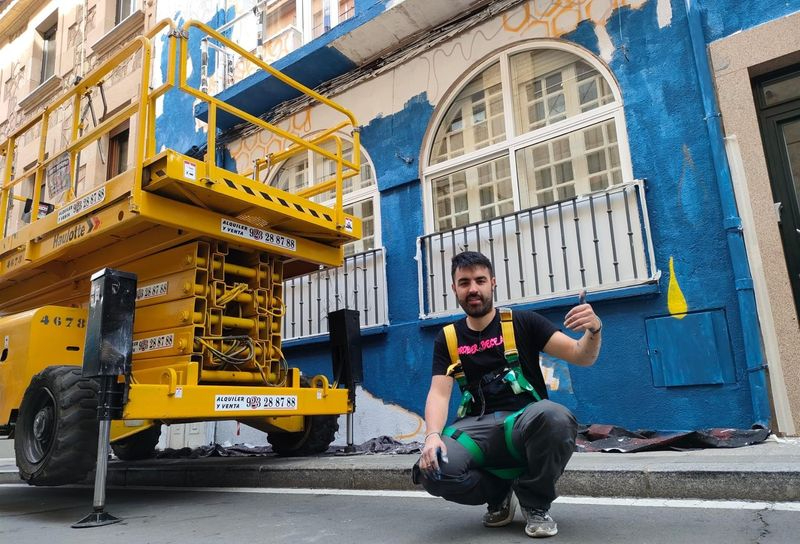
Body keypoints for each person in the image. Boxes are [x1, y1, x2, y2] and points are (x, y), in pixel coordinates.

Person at [414, 251, 602, 538]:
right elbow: (439, 394)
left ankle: (535, 502)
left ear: (493, 282)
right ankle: (500, 492)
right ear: (455, 289)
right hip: (474, 430)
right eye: (464, 282)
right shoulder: (448, 337)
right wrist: (432, 437)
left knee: (555, 417)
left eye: (479, 280)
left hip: (522, 423)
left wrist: (594, 329)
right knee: (432, 469)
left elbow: (581, 355)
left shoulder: (524, 322)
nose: (473, 288)